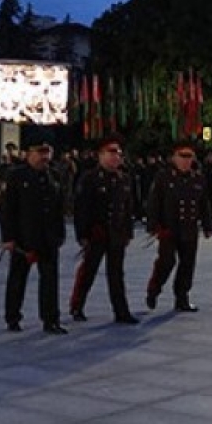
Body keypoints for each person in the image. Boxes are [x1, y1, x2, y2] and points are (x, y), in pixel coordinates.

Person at [68, 136, 139, 325]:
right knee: (88, 271)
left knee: (116, 274)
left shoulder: (124, 179)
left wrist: (128, 232)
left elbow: (127, 209)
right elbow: (81, 209)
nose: (116, 157)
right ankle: (77, 306)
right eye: (111, 153)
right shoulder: (90, 178)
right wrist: (82, 234)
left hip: (116, 233)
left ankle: (121, 311)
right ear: (101, 155)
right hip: (96, 233)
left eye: (119, 154)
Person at [0, 138, 68, 333]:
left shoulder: (53, 174)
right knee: (17, 279)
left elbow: (58, 208)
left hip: (48, 238)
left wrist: (60, 233)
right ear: (29, 154)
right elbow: (7, 209)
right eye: (40, 152)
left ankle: (50, 319)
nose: (44, 157)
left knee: (50, 280)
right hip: (24, 237)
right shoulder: (16, 175)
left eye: (47, 153)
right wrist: (8, 238)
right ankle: (13, 317)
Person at [145, 140, 212, 312]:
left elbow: (204, 204)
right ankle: (154, 289)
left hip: (189, 228)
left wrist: (208, 225)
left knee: (187, 264)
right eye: (182, 156)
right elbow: (154, 202)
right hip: (169, 228)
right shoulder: (164, 177)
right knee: (166, 262)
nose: (185, 160)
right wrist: (153, 224)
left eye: (189, 156)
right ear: (174, 157)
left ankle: (182, 297)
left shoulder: (197, 178)